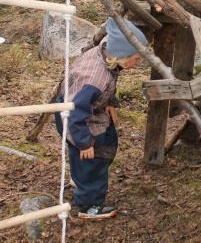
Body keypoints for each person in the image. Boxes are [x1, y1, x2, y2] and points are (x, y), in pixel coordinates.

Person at [55, 17, 147, 219]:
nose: (139, 62)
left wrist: (109, 102)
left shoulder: (105, 55)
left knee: (94, 149)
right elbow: (75, 111)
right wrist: (84, 142)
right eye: (136, 58)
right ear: (122, 55)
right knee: (95, 155)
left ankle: (80, 178)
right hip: (73, 117)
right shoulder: (95, 78)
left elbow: (107, 85)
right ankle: (89, 204)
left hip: (79, 108)